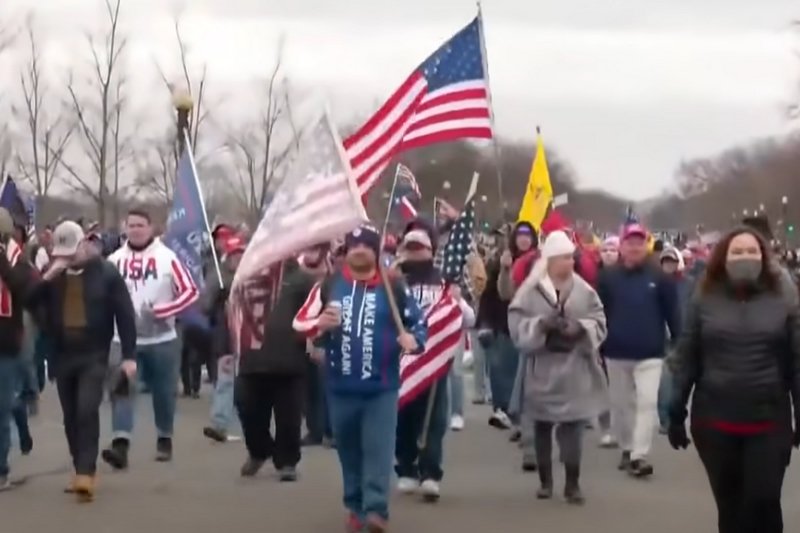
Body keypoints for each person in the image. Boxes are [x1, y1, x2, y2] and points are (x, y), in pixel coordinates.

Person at [293, 224, 426, 533]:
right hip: (340, 387)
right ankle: (355, 506)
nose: (360, 251)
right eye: (354, 247)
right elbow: (299, 323)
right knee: (349, 451)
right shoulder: (330, 285)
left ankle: (376, 509)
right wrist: (320, 324)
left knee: (379, 450)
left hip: (382, 387)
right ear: (346, 252)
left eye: (367, 246)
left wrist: (413, 340)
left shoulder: (394, 287)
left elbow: (418, 324)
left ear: (376, 251)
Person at [667, 227, 800, 533]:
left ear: (764, 257)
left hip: (769, 421)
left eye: (752, 251)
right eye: (737, 252)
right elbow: (688, 356)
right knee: (731, 507)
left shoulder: (783, 295)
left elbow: (797, 358)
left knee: (763, 502)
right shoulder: (705, 295)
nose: (745, 257)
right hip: (715, 423)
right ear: (723, 257)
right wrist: (675, 412)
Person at [29, 221, 136, 501]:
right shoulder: (54, 275)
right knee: (70, 416)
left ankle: (87, 472)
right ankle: (80, 467)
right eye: (61, 253)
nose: (67, 258)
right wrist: (48, 276)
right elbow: (29, 301)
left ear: (85, 244)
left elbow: (125, 315)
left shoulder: (106, 273)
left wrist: (129, 356)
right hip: (63, 354)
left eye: (72, 252)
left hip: (94, 353)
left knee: (87, 409)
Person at [508, 231, 607, 504]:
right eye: (564, 258)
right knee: (542, 426)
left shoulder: (584, 291)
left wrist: (581, 328)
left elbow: (599, 319)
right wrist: (541, 325)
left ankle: (572, 483)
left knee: (574, 428)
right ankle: (546, 481)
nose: (570, 262)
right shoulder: (530, 292)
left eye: (571, 257)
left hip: (575, 369)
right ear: (550, 260)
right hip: (542, 368)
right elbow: (516, 324)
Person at [102, 207, 199, 468]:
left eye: (140, 225)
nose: (135, 230)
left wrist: (165, 310)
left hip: (162, 338)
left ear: (151, 228)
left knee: (164, 392)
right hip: (123, 340)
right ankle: (121, 444)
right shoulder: (113, 261)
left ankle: (164, 437)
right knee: (122, 389)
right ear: (125, 228)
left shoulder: (167, 257)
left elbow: (190, 291)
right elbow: (101, 295)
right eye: (131, 225)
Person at [393, 222, 475, 501]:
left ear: (431, 251)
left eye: (420, 249)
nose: (415, 254)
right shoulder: (393, 281)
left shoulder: (443, 282)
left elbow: (469, 319)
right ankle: (406, 468)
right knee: (403, 416)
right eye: (410, 248)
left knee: (435, 419)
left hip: (436, 361)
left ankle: (430, 472)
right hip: (401, 360)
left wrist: (457, 302)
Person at [234, 244, 326, 481]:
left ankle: (287, 462)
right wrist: (225, 349)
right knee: (248, 410)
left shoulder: (301, 279)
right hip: (252, 358)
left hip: (289, 359)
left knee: (289, 418)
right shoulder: (247, 277)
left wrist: (317, 343)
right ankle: (259, 451)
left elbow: (315, 312)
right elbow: (234, 314)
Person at [597, 223, 681, 477]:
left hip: (650, 352)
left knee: (647, 402)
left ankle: (639, 455)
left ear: (646, 246)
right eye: (630, 243)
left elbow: (673, 313)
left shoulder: (660, 278)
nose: (634, 247)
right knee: (621, 405)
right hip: (616, 351)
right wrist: (597, 343)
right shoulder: (608, 277)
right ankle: (626, 447)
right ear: (622, 246)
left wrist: (679, 343)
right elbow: (599, 312)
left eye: (639, 243)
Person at [479, 221, 538, 430]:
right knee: (501, 368)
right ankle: (502, 409)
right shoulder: (500, 262)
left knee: (524, 374)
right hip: (503, 323)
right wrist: (484, 322)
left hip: (530, 325)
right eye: (520, 236)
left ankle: (523, 415)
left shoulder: (539, 263)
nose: (524, 240)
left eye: (528, 236)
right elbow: (489, 295)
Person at [0, 208, 36, 491]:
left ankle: (1, 471)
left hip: (6, 342)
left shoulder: (19, 261)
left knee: (0, 409)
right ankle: (19, 412)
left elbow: (22, 290)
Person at [201, 234, 247, 443]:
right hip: (227, 338)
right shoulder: (216, 278)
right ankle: (219, 424)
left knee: (250, 386)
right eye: (234, 255)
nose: (238, 259)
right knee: (226, 381)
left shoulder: (254, 275)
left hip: (252, 339)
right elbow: (204, 307)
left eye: (241, 254)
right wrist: (217, 297)